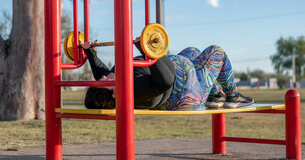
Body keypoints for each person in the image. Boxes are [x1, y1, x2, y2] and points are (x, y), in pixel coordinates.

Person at [82, 38, 254, 110]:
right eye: (104, 82)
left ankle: (215, 95)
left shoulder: (118, 83)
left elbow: (101, 72)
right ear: (114, 93)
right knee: (216, 52)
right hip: (190, 92)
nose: (103, 78)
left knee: (192, 52)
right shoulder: (134, 88)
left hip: (187, 76)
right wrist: (147, 51)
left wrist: (90, 53)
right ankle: (233, 96)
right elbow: (165, 81)